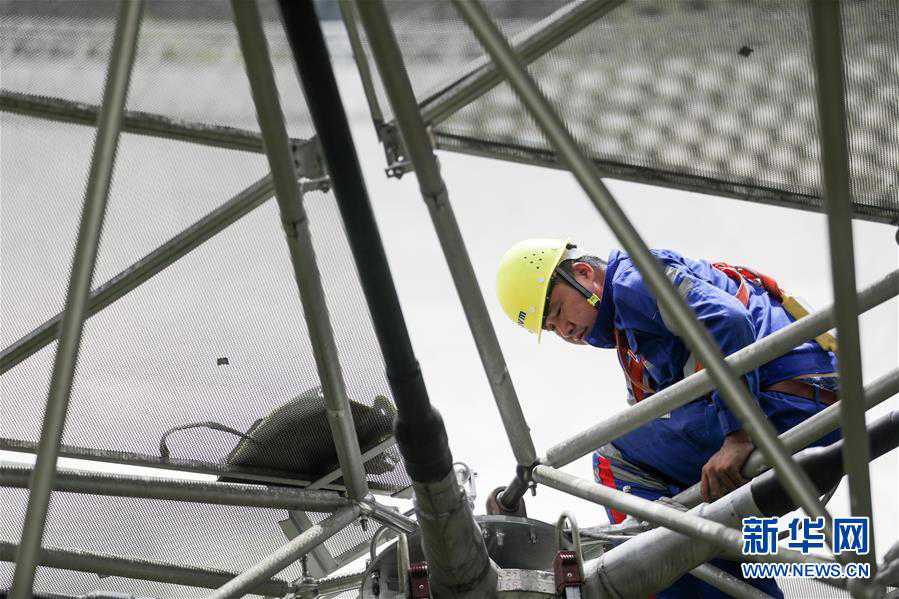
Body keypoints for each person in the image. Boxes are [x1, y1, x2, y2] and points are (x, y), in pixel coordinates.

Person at [495, 238, 840, 599]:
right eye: (552, 328)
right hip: (803, 403)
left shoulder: (633, 282)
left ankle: (675, 579)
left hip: (785, 405)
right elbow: (657, 419)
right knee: (680, 508)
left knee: (615, 461)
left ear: (583, 274)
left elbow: (729, 321)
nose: (564, 331)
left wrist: (739, 434)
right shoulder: (633, 334)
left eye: (559, 310)